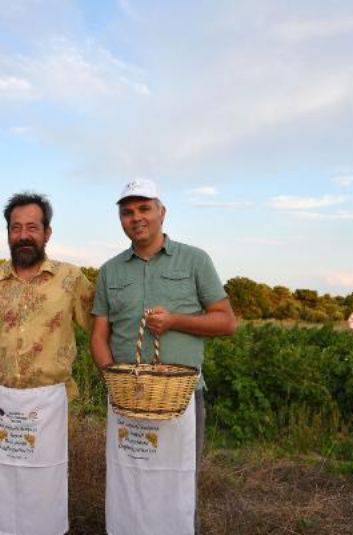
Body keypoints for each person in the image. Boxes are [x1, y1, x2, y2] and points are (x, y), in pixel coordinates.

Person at [90, 179, 237, 535]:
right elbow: (98, 336)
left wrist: (174, 321)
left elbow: (226, 321)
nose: (136, 217)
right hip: (127, 398)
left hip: (182, 398)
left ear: (161, 212)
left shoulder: (194, 260)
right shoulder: (110, 271)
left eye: (144, 209)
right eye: (127, 212)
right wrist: (115, 380)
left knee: (179, 483)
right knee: (130, 480)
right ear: (120, 219)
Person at [0, 192, 95, 535]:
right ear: (8, 232)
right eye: (16, 228)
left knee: (44, 482)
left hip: (48, 402)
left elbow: (102, 324)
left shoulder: (70, 278)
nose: (23, 235)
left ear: (47, 233)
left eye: (32, 227)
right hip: (1, 399)